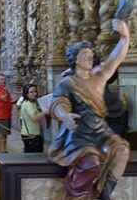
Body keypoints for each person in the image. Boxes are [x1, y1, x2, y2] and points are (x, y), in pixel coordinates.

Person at [48, 19, 130, 200]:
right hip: (79, 135)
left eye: (91, 55)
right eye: (85, 55)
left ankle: (103, 194)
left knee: (122, 151)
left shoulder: (100, 77)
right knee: (91, 164)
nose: (89, 58)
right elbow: (58, 102)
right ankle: (76, 195)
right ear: (75, 58)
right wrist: (65, 115)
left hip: (102, 132)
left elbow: (116, 58)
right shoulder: (68, 83)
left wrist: (125, 36)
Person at [0, 73, 15, 153]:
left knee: (5, 133)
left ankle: (4, 149)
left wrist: (17, 99)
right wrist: (5, 90)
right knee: (1, 134)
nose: (4, 81)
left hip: (7, 113)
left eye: (4, 79)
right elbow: (4, 99)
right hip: (1, 114)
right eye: (1, 79)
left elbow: (9, 101)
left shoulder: (5, 90)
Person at [20, 84, 45, 153]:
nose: (34, 93)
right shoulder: (28, 104)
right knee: (34, 157)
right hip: (31, 135)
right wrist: (45, 111)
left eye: (35, 91)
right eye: (31, 92)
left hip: (34, 133)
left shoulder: (33, 103)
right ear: (26, 93)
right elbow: (34, 118)